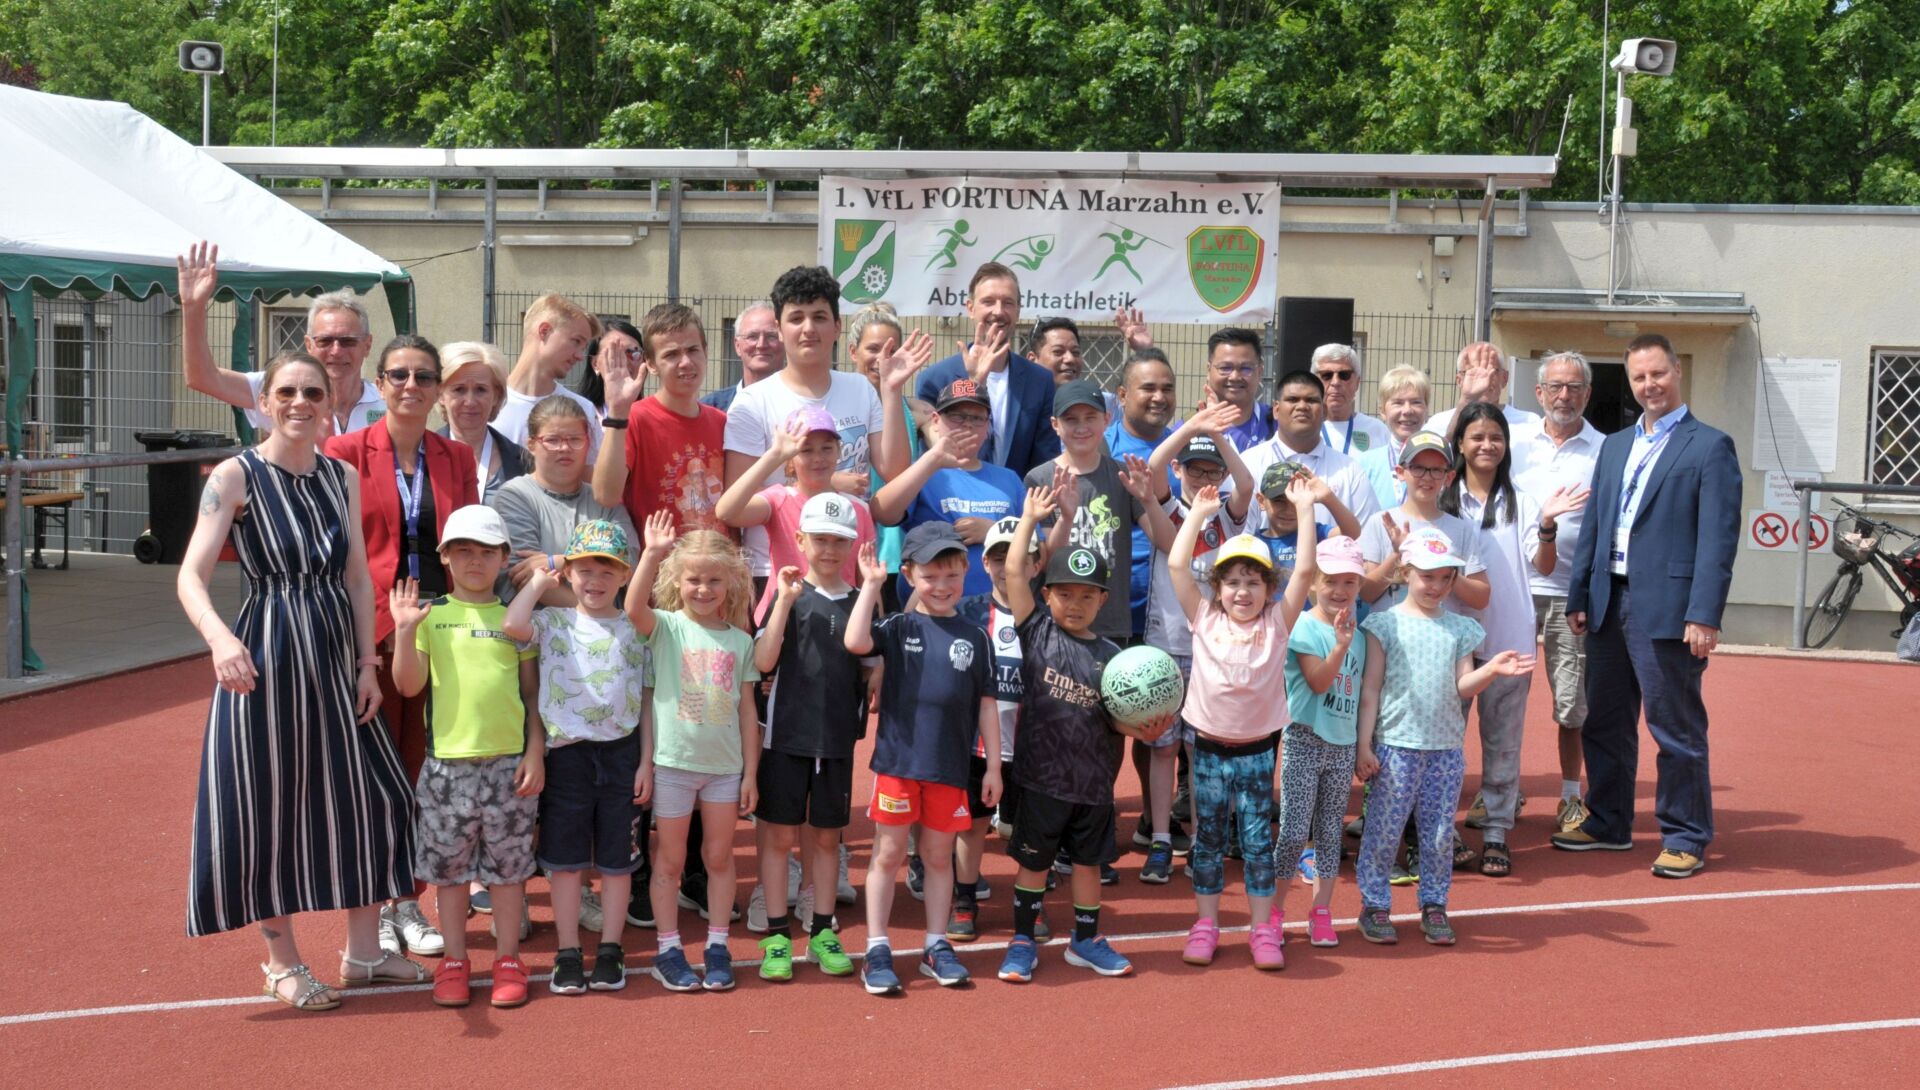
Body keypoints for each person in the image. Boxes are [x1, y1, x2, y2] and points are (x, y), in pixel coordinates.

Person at [178, 350, 418, 1012]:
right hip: (267, 654)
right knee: (268, 804)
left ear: (328, 400)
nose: (299, 402)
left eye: (312, 391)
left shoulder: (339, 475)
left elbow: (352, 577)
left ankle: (365, 953)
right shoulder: (235, 475)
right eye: (286, 390)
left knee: (373, 799)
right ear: (264, 400)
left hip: (334, 656)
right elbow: (189, 576)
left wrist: (368, 664)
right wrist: (221, 638)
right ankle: (282, 962)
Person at [1553, 333, 1740, 880]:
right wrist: (1581, 593)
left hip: (1669, 608)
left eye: (1657, 374)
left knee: (1674, 728)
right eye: (1639, 377)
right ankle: (1608, 820)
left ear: (1677, 371)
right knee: (1604, 722)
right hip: (1609, 601)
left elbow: (1717, 540)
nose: (1649, 385)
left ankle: (1685, 835)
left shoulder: (1709, 446)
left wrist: (1704, 613)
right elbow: (1594, 524)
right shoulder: (1614, 446)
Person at [323, 334, 480, 959]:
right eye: (398, 376)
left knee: (425, 766)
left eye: (423, 376)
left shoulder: (456, 457)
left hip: (441, 630)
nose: (411, 386)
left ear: (437, 388)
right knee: (375, 770)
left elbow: (469, 543)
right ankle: (377, 905)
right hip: (376, 632)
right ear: (379, 383)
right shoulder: (343, 451)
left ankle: (408, 898)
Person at [993, 490, 1172, 984]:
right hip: (1040, 779)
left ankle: (1085, 940)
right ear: (1046, 595)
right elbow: (1013, 574)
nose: (1075, 603)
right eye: (1064, 593)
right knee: (1033, 865)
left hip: (1094, 784)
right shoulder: (1038, 633)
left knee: (1089, 865)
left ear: (1103, 600)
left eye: (1087, 594)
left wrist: (1141, 727)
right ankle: (1023, 940)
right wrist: (1030, 520)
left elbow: (1115, 717)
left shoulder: (1116, 657)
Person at [387, 505, 542, 1009]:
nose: (475, 561)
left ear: (503, 558)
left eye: (486, 552)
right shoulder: (431, 618)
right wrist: (405, 631)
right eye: (463, 551)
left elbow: (532, 695)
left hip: (508, 765)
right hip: (446, 767)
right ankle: (455, 960)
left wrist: (535, 751)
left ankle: (508, 959)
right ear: (446, 557)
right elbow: (409, 686)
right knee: (450, 872)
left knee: (508, 870)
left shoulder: (516, 621)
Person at [1352, 529, 1532, 946]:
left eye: (1445, 578)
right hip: (1395, 747)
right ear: (1405, 573)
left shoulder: (1461, 628)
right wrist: (1365, 745)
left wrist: (1491, 671)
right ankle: (1374, 905)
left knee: (1437, 835)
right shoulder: (1383, 624)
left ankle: (1434, 905)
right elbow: (1371, 689)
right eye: (1426, 576)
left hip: (1446, 750)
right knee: (1383, 830)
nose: (1436, 586)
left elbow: (1463, 685)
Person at [1168, 479, 1318, 970]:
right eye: (1232, 581)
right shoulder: (1204, 618)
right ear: (1217, 587)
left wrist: (1305, 508)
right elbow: (1176, 564)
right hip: (1207, 752)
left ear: (1269, 588)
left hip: (1257, 753)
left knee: (1257, 842)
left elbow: (1307, 571)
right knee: (1207, 840)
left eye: (1254, 582)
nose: (1242, 591)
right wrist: (1200, 513)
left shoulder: (1279, 621)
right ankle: (1206, 925)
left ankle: (1260, 930)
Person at [845, 525, 999, 994]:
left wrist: (992, 766)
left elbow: (987, 705)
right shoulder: (900, 626)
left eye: (952, 573)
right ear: (909, 575)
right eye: (930, 575)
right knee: (888, 855)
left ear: (965, 573)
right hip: (898, 765)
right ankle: (876, 948)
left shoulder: (976, 636)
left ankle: (936, 945)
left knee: (937, 857)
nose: (942, 584)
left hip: (949, 769)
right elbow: (855, 643)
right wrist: (872, 585)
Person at [502, 520, 648, 995]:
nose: (595, 581)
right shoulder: (552, 622)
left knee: (616, 861)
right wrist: (548, 572)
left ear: (624, 577)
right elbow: (513, 623)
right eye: (584, 569)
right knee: (564, 862)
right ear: (570, 574)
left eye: (608, 571)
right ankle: (568, 951)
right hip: (566, 756)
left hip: (622, 755)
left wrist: (646, 761)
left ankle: (609, 948)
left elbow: (646, 700)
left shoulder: (636, 628)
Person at [1441, 403, 1587, 877]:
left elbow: (1542, 567)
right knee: (1443, 743)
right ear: (1459, 443)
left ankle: (1498, 833)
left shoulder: (1523, 499)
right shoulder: (1443, 499)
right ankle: (1442, 832)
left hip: (1508, 635)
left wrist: (1547, 528)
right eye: (1476, 437)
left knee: (1503, 744)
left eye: (1495, 437)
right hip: (1449, 642)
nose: (1487, 446)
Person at [623, 516, 762, 991]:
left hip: (724, 770)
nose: (703, 588)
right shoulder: (665, 628)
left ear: (732, 583)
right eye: (694, 579)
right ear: (677, 581)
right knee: (670, 860)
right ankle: (668, 948)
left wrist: (750, 774)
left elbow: (747, 713)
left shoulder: (741, 642)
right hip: (674, 766)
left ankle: (718, 945)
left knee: (720, 856)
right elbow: (632, 607)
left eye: (714, 580)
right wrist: (652, 552)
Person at [726, 265, 917, 592]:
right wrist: (826, 482)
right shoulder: (752, 402)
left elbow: (894, 469)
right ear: (779, 327)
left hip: (850, 568)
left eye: (819, 317)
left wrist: (892, 389)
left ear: (838, 326)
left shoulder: (861, 389)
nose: (808, 328)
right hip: (775, 571)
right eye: (796, 318)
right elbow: (739, 496)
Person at [748, 494, 869, 982]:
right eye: (819, 539)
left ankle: (822, 929)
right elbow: (763, 661)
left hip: (836, 742)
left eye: (840, 541)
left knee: (825, 841)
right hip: (785, 738)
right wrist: (785, 600)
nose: (829, 549)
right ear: (799, 541)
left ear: (853, 543)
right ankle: (778, 933)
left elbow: (869, 657)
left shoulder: (861, 600)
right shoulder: (787, 596)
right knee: (777, 838)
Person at [1140, 408, 1255, 878]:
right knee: (1163, 747)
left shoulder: (1227, 516)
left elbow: (1247, 486)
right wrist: (1190, 429)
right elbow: (1150, 471)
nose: (1203, 476)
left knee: (1201, 750)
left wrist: (1221, 441)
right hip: (1166, 644)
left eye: (1211, 469)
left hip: (1214, 649)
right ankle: (1164, 839)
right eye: (1194, 467)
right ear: (1180, 469)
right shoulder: (1171, 509)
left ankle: (1205, 840)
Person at [1511, 352, 1605, 834]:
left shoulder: (1606, 449)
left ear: (1588, 394)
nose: (1564, 396)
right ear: (1539, 393)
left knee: (1571, 705)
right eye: (1555, 387)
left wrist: (1590, 592)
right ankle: (1502, 791)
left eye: (1574, 388)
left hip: (1571, 596)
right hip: (1516, 592)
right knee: (1504, 700)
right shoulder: (1515, 445)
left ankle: (1571, 796)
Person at [950, 517, 1047, 941]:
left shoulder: (1046, 615)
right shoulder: (968, 613)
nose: (1009, 567)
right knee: (972, 826)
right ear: (985, 563)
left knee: (1032, 831)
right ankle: (965, 900)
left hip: (1031, 747)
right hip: (978, 748)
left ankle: (1032, 906)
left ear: (1035, 565)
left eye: (1019, 559)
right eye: (999, 559)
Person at [176, 242, 386, 435]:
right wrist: (193, 308)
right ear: (309, 345)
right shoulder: (283, 391)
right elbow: (202, 378)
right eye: (325, 341)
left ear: (367, 345)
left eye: (348, 341)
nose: (336, 351)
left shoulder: (386, 404)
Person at [1025, 379, 1176, 644]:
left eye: (1090, 417)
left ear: (1106, 420)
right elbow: (1046, 562)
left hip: (1112, 622)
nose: (1081, 427)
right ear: (1055, 425)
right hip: (1058, 622)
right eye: (1071, 419)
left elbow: (1168, 543)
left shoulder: (1123, 474)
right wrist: (1067, 518)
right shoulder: (1041, 478)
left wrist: (1150, 500)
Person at [1276, 535, 1370, 951]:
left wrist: (1360, 745)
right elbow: (1317, 682)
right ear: (1313, 581)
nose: (1339, 590)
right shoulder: (1303, 629)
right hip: (1304, 740)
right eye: (1331, 579)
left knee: (1331, 833)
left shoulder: (1360, 637)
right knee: (1295, 832)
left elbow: (1363, 694)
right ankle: (1275, 911)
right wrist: (1339, 646)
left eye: (1350, 582)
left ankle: (1321, 912)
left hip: (1341, 744)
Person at [718, 408, 877, 625]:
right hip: (783, 618)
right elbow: (726, 511)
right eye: (806, 450)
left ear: (839, 451)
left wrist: (875, 631)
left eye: (827, 448)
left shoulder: (857, 509)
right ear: (791, 458)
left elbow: (867, 577)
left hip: (839, 618)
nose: (818, 458)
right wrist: (774, 456)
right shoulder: (779, 498)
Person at [872, 379, 1027, 600]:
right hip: (931, 607)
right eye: (957, 416)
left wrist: (995, 531)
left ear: (987, 427)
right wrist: (933, 459)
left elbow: (1038, 546)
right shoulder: (923, 471)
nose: (967, 425)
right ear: (936, 420)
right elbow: (881, 511)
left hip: (995, 609)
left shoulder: (1009, 479)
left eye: (976, 418)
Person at [592, 302, 730, 536]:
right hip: (662, 569)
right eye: (672, 354)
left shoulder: (723, 423)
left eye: (693, 350)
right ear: (652, 364)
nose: (686, 362)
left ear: (706, 352)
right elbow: (605, 495)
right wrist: (616, 413)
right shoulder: (634, 418)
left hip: (719, 568)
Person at [914, 262, 1063, 476]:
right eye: (988, 302)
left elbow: (1044, 461)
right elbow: (931, 460)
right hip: (953, 505)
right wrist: (975, 381)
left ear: (1019, 310)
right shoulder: (934, 380)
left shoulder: (1040, 381)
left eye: (1008, 303)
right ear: (971, 308)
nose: (998, 311)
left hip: (1018, 505)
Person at [490, 395, 638, 611]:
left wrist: (558, 561)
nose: (564, 448)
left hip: (606, 638)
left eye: (575, 439)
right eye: (552, 440)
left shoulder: (604, 499)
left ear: (588, 444)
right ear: (531, 444)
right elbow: (522, 577)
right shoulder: (515, 496)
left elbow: (630, 563)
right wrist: (595, 615)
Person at [849, 303, 933, 614]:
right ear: (853, 351)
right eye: (873, 348)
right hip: (852, 542)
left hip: (896, 545)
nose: (882, 358)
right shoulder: (842, 404)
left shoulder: (913, 411)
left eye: (892, 349)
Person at [1239, 370, 1381, 532]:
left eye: (1311, 400)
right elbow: (1240, 535)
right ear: (1276, 410)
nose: (1302, 406)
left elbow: (1369, 535)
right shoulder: (1250, 462)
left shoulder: (1350, 469)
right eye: (1292, 399)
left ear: (1325, 411)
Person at [496, 292, 605, 461]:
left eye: (583, 347)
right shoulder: (486, 403)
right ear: (544, 331)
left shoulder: (583, 410)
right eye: (576, 341)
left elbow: (591, 482)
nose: (580, 356)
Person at [436, 341, 530, 502]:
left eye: (481, 390)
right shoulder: (419, 456)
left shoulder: (523, 462)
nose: (470, 401)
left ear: (497, 396)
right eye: (459, 389)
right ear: (440, 394)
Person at [1424, 342, 1543, 439]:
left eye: (1491, 370)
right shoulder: (1438, 424)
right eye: (1473, 372)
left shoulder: (1529, 423)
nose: (1483, 380)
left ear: (1505, 378)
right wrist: (1466, 401)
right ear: (1459, 380)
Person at [1357, 365, 1432, 511]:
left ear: (1426, 409)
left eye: (1416, 402)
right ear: (1382, 411)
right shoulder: (1365, 464)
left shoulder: (1439, 463)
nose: (1407, 410)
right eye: (1398, 403)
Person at [702, 302, 786, 413]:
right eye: (752, 337)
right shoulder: (710, 409)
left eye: (771, 336)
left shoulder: (805, 407)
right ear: (737, 346)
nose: (761, 345)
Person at [1312, 343, 1392, 455]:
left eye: (1344, 375)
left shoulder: (1378, 430)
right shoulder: (1304, 430)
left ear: (1357, 383)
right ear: (1314, 382)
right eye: (1327, 375)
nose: (1335, 382)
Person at [1203, 328, 1274, 451]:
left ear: (1260, 372)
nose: (1235, 377)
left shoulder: (1278, 423)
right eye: (1225, 368)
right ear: (1208, 370)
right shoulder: (1189, 428)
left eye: (1246, 368)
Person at [574, 318, 644, 415]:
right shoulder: (579, 414)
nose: (624, 362)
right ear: (595, 364)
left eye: (633, 352)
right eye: (614, 354)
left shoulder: (652, 415)